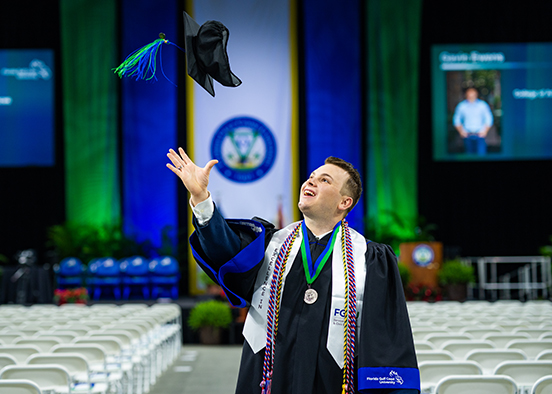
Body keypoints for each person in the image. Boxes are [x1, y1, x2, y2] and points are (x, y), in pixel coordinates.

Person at [167, 147, 420, 394]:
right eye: (311, 177)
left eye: (324, 180)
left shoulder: (370, 258)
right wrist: (201, 198)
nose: (311, 181)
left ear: (345, 202)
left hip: (333, 381)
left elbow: (385, 338)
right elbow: (224, 249)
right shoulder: (270, 244)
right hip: (269, 377)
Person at [453, 87, 494, 155]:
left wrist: (485, 131)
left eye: (473, 94)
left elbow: (489, 119)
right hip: (467, 135)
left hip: (480, 135)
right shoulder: (461, 106)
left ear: (476, 94)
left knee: (481, 155)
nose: (471, 96)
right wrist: (461, 131)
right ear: (466, 95)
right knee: (469, 156)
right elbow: (456, 120)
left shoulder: (482, 105)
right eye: (469, 94)